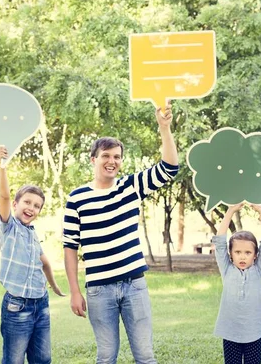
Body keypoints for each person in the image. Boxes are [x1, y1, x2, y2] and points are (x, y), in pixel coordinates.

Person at [62, 103, 179, 364]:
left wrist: (164, 126)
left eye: (116, 156)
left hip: (134, 285)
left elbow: (170, 167)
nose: (111, 161)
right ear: (93, 159)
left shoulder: (130, 187)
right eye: (105, 156)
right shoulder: (77, 199)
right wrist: (74, 291)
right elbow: (70, 247)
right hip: (98, 290)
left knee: (145, 356)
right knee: (105, 356)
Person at [0, 146, 65, 364]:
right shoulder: (9, 227)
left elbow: (44, 262)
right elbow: (4, 195)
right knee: (14, 360)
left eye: (37, 206)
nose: (31, 208)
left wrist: (53, 286)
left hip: (41, 304)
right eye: (27, 202)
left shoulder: (32, 233)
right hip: (17, 307)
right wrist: (2, 167)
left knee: (42, 359)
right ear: (16, 204)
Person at [212, 203, 261, 364]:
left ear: (255, 255)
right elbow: (219, 241)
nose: (243, 257)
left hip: (254, 333)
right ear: (230, 254)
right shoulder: (226, 269)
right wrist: (231, 210)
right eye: (238, 252)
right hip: (230, 332)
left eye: (248, 252)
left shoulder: (258, 270)